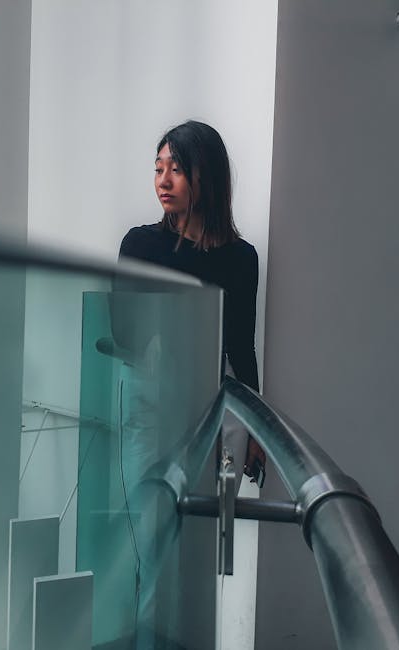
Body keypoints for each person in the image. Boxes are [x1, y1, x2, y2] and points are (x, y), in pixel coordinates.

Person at [118, 120, 266, 484]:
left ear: (207, 177)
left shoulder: (240, 257)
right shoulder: (140, 246)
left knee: (205, 523)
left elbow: (242, 348)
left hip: (213, 409)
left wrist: (256, 429)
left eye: (177, 169)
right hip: (151, 409)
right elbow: (123, 336)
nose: (163, 181)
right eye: (158, 169)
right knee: (145, 514)